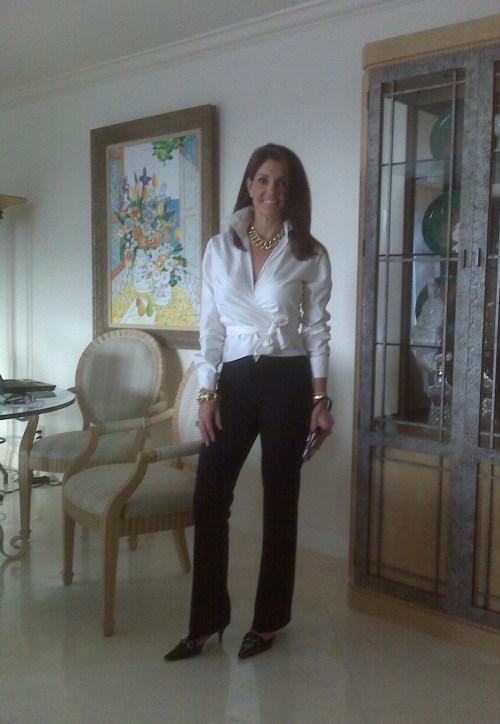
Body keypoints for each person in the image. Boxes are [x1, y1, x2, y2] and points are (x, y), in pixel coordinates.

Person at [164, 143, 334, 662]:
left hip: (287, 380)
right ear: (249, 184)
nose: (271, 191)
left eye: (281, 182)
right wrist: (207, 392)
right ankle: (205, 620)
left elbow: (317, 328)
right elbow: (210, 328)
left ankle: (268, 620)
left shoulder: (309, 253)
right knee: (209, 497)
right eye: (263, 180)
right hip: (234, 382)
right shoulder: (220, 248)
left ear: (292, 190)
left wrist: (320, 398)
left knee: (280, 500)